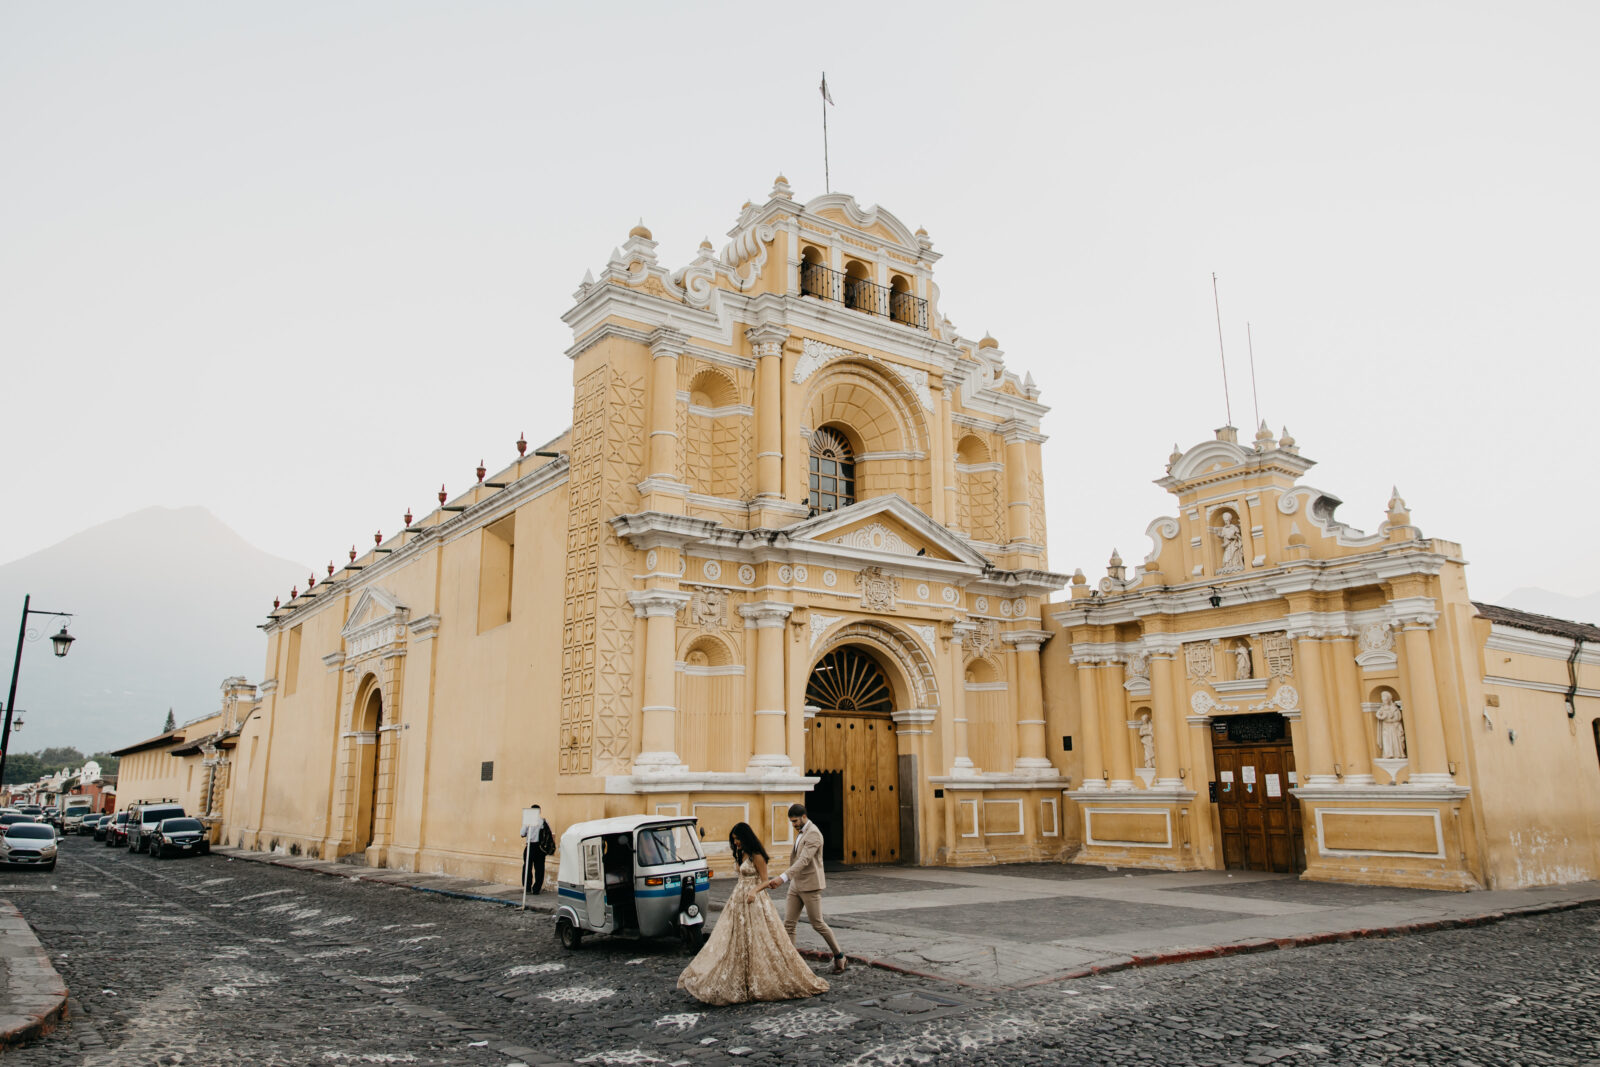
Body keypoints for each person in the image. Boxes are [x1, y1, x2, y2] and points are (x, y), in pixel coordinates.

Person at [678, 823, 828, 1005]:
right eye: (734, 840)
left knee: (758, 939)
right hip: (738, 901)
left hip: (755, 901)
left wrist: (754, 891)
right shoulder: (740, 854)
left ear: (746, 837)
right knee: (733, 941)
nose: (736, 842)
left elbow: (766, 881)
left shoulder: (757, 855)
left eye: (738, 839)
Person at [766, 803, 846, 975]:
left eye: (795, 821)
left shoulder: (814, 834)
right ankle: (791, 963)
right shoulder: (801, 833)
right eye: (791, 822)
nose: (793, 825)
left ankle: (839, 955)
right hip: (796, 884)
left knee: (817, 923)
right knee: (788, 924)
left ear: (803, 817)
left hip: (810, 885)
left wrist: (783, 877)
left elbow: (803, 860)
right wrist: (789, 879)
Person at [519, 804, 555, 894]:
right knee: (539, 869)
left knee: (527, 867)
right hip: (540, 848)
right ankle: (536, 889)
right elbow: (549, 833)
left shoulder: (528, 821)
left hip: (530, 846)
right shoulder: (544, 821)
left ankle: (527, 887)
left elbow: (522, 833)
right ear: (540, 812)